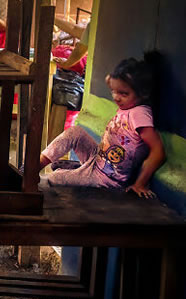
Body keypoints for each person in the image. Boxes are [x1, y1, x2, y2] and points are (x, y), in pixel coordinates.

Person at [39, 55, 166, 198]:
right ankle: (36, 165)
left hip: (106, 178)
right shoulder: (129, 104)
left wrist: (140, 184)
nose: (116, 97)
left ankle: (75, 171)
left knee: (53, 178)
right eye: (114, 91)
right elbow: (109, 79)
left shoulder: (140, 114)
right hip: (97, 158)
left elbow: (158, 151)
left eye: (123, 93)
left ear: (142, 93)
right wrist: (116, 81)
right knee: (75, 132)